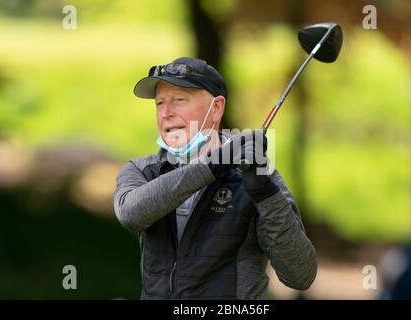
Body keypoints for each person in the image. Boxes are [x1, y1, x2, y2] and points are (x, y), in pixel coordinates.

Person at [113, 57, 317, 299]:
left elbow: (300, 275)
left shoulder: (257, 175)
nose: (166, 113)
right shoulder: (143, 170)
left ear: (217, 108)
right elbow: (132, 214)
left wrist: (266, 194)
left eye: (179, 100)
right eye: (159, 103)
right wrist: (216, 163)